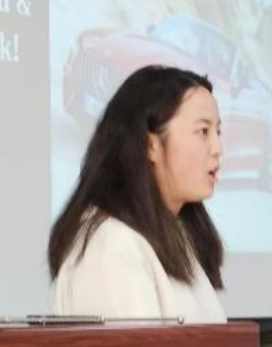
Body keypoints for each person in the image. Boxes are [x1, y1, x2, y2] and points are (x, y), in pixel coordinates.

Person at [48, 65, 226, 322]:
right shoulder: (110, 244)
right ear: (150, 145)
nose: (218, 148)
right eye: (202, 132)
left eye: (217, 132)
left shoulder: (176, 234)